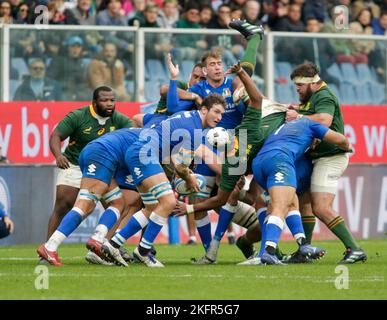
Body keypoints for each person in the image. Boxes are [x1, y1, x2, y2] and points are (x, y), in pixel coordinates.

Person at [102, 93, 227, 267]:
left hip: (139, 152)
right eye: (217, 112)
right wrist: (189, 179)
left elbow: (175, 156)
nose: (220, 117)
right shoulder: (195, 129)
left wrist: (184, 171)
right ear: (204, 109)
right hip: (145, 154)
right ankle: (143, 251)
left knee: (152, 207)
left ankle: (113, 244)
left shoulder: (187, 117)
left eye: (222, 114)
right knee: (168, 202)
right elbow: (180, 167)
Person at [285, 62, 367, 264]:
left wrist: (299, 115)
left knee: (321, 207)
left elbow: (324, 120)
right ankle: (306, 250)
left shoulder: (324, 95)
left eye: (299, 86)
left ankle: (355, 249)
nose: (297, 89)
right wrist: (298, 110)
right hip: (318, 158)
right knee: (305, 202)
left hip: (331, 157)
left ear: (311, 83)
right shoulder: (314, 96)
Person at [42, 86, 132, 265]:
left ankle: (107, 246)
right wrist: (59, 155)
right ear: (94, 102)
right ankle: (47, 251)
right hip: (74, 165)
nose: (109, 104)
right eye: (104, 100)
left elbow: (132, 133)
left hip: (102, 168)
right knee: (62, 205)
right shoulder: (78, 116)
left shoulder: (119, 119)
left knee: (116, 206)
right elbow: (56, 136)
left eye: (112, 100)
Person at [251, 118, 351, 264]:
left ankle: (303, 245)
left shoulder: (286, 127)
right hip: (279, 160)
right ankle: (269, 252)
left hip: (259, 163)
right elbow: (340, 139)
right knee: (280, 206)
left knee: (292, 202)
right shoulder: (312, 125)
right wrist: (347, 146)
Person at [46, 36, 90, 101]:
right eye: (73, 46)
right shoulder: (59, 61)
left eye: (78, 47)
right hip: (63, 91)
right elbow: (50, 78)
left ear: (81, 49)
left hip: (79, 92)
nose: (75, 49)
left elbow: (83, 83)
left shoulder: (82, 63)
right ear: (68, 48)